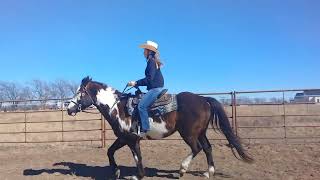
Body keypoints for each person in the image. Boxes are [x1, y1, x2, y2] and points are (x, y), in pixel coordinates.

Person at [127, 40, 164, 138]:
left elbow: (149, 79)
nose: (143, 52)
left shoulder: (151, 62)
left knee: (141, 106)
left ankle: (145, 129)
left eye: (144, 50)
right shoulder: (153, 61)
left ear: (149, 51)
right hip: (156, 88)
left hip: (155, 89)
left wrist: (136, 82)